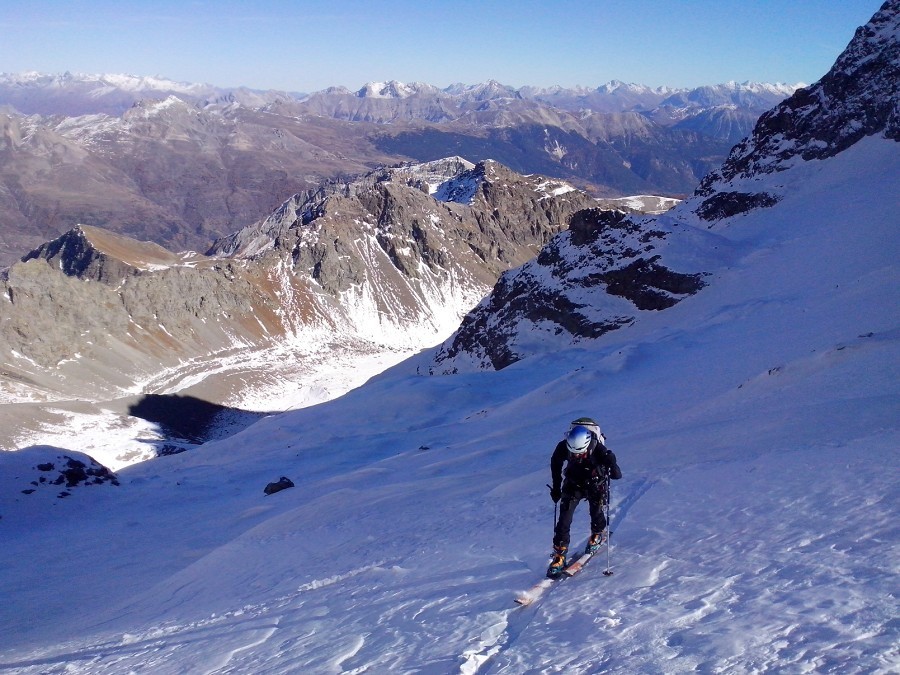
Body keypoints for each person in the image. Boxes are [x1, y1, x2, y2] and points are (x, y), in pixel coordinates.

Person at [547, 416, 622, 577]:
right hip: (573, 483)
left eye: (580, 453)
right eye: (573, 453)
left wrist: (613, 466)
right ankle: (559, 555)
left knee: (596, 511)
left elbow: (614, 468)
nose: (576, 456)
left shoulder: (599, 449)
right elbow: (556, 465)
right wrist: (556, 488)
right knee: (564, 519)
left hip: (595, 483)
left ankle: (597, 533)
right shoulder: (563, 447)